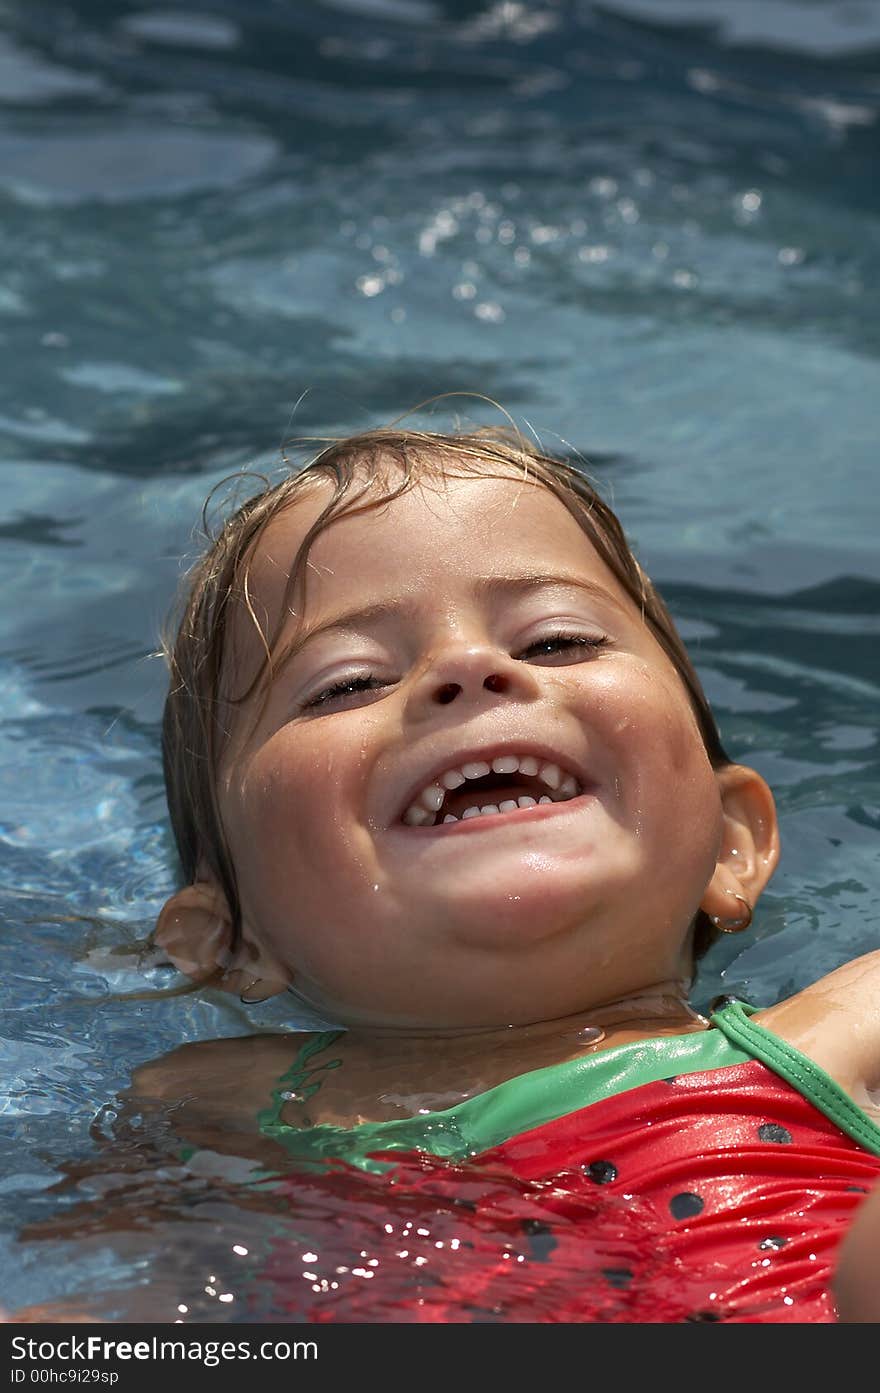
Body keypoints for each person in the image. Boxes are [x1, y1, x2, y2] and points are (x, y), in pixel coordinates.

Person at [62, 424, 880, 1321]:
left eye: (558, 640)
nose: (467, 668)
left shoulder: (837, 1041)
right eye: (346, 683)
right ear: (230, 939)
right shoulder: (206, 1098)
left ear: (731, 845)